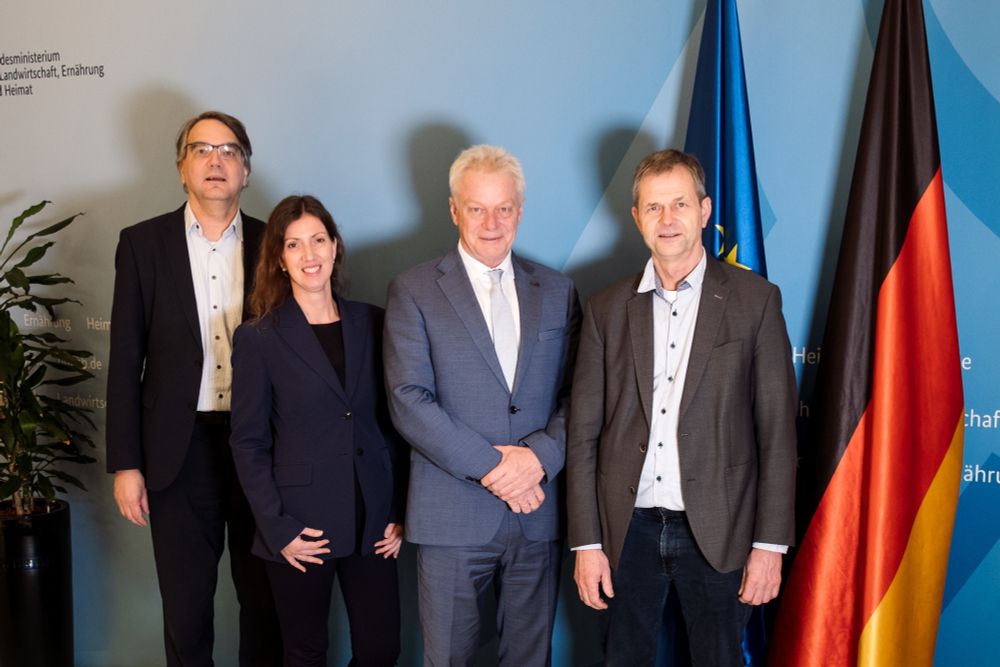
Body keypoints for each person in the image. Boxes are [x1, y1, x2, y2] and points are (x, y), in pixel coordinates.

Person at [566, 149, 797, 666]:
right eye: (653, 208)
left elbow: (777, 434)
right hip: (627, 531)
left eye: (679, 204)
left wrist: (770, 546)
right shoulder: (605, 308)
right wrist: (586, 543)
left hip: (721, 528)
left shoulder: (755, 300)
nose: (667, 220)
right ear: (636, 218)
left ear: (704, 209)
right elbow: (582, 435)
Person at [383, 144, 580, 666]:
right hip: (452, 513)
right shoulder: (414, 290)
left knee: (529, 658)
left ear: (520, 211)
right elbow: (409, 400)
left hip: (537, 514)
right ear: (454, 210)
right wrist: (496, 468)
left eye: (504, 208)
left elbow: (578, 395)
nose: (491, 222)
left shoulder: (557, 290)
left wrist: (537, 460)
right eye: (477, 208)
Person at [106, 110, 281, 666]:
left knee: (265, 603)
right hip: (177, 453)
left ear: (245, 170)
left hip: (262, 448)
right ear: (182, 167)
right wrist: (127, 464)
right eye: (202, 149)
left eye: (229, 150)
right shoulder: (141, 244)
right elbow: (126, 358)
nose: (215, 160)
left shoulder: (276, 244)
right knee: (185, 611)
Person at [229, 195, 405, 667]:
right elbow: (248, 442)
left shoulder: (374, 322)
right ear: (279, 259)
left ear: (335, 248)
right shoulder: (258, 337)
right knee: (305, 652)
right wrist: (278, 529)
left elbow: (395, 423)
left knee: (381, 648)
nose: (309, 255)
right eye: (294, 245)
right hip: (299, 525)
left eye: (319, 240)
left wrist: (398, 509)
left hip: (373, 520)